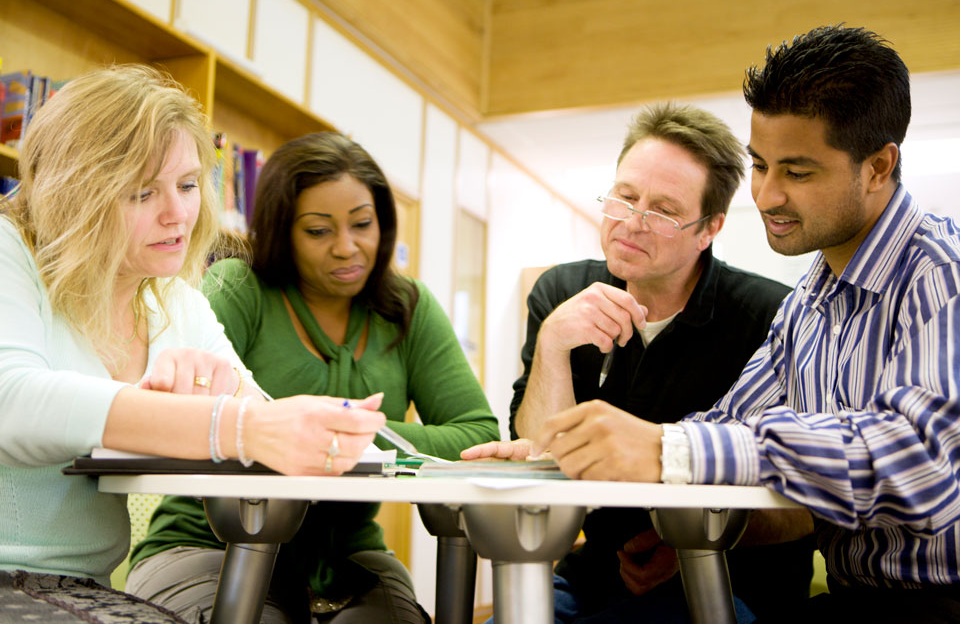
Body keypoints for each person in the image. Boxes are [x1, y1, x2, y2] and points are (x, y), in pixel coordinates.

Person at [530, 25, 960, 622]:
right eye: (760, 165)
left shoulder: (940, 272)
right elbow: (727, 421)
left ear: (879, 166)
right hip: (852, 599)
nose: (765, 195)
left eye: (798, 172)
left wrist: (667, 447)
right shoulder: (810, 298)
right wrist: (561, 446)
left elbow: (921, 464)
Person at [0, 65, 386, 622]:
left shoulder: (174, 302)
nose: (179, 214)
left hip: (81, 588)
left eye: (186, 185)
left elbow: (260, 420)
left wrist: (255, 413)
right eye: (141, 192)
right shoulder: (10, 250)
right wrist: (230, 426)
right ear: (74, 195)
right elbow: (12, 402)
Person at [128, 132, 500, 623]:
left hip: (349, 560)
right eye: (319, 231)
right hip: (207, 544)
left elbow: (477, 436)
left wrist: (336, 433)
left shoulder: (409, 307)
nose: (348, 248)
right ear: (283, 231)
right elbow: (181, 415)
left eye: (363, 224)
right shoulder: (239, 289)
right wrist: (349, 436)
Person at [464, 102, 814, 622]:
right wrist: (555, 344)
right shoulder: (563, 292)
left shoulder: (773, 315)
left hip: (731, 578)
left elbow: (807, 497)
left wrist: (691, 541)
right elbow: (542, 448)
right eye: (625, 198)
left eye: (664, 210)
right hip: (598, 575)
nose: (632, 223)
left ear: (709, 228)